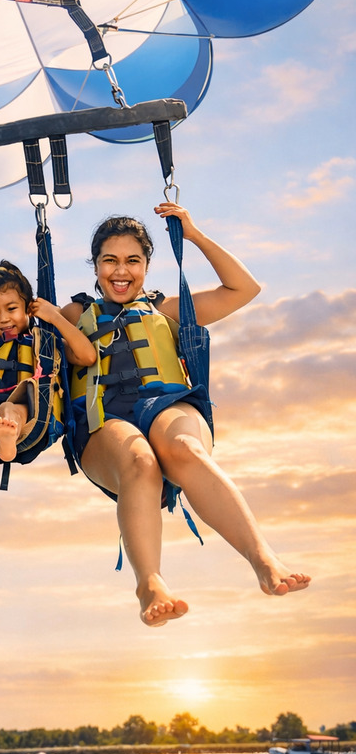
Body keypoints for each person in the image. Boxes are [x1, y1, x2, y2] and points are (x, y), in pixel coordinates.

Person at [63, 204, 311, 627]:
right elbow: (10, 327)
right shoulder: (71, 315)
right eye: (110, 261)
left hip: (168, 405)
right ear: (95, 265)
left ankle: (263, 557)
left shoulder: (168, 309)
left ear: (146, 265)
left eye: (132, 261)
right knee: (140, 463)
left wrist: (192, 235)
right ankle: (150, 583)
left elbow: (243, 288)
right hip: (104, 419)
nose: (120, 271)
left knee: (182, 449)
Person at [0, 260, 95, 493]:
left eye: (11, 309)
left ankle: (8, 439)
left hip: (31, 417)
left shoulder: (45, 341)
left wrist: (55, 317)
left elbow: (88, 357)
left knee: (9, 410)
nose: (3, 319)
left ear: (28, 308)